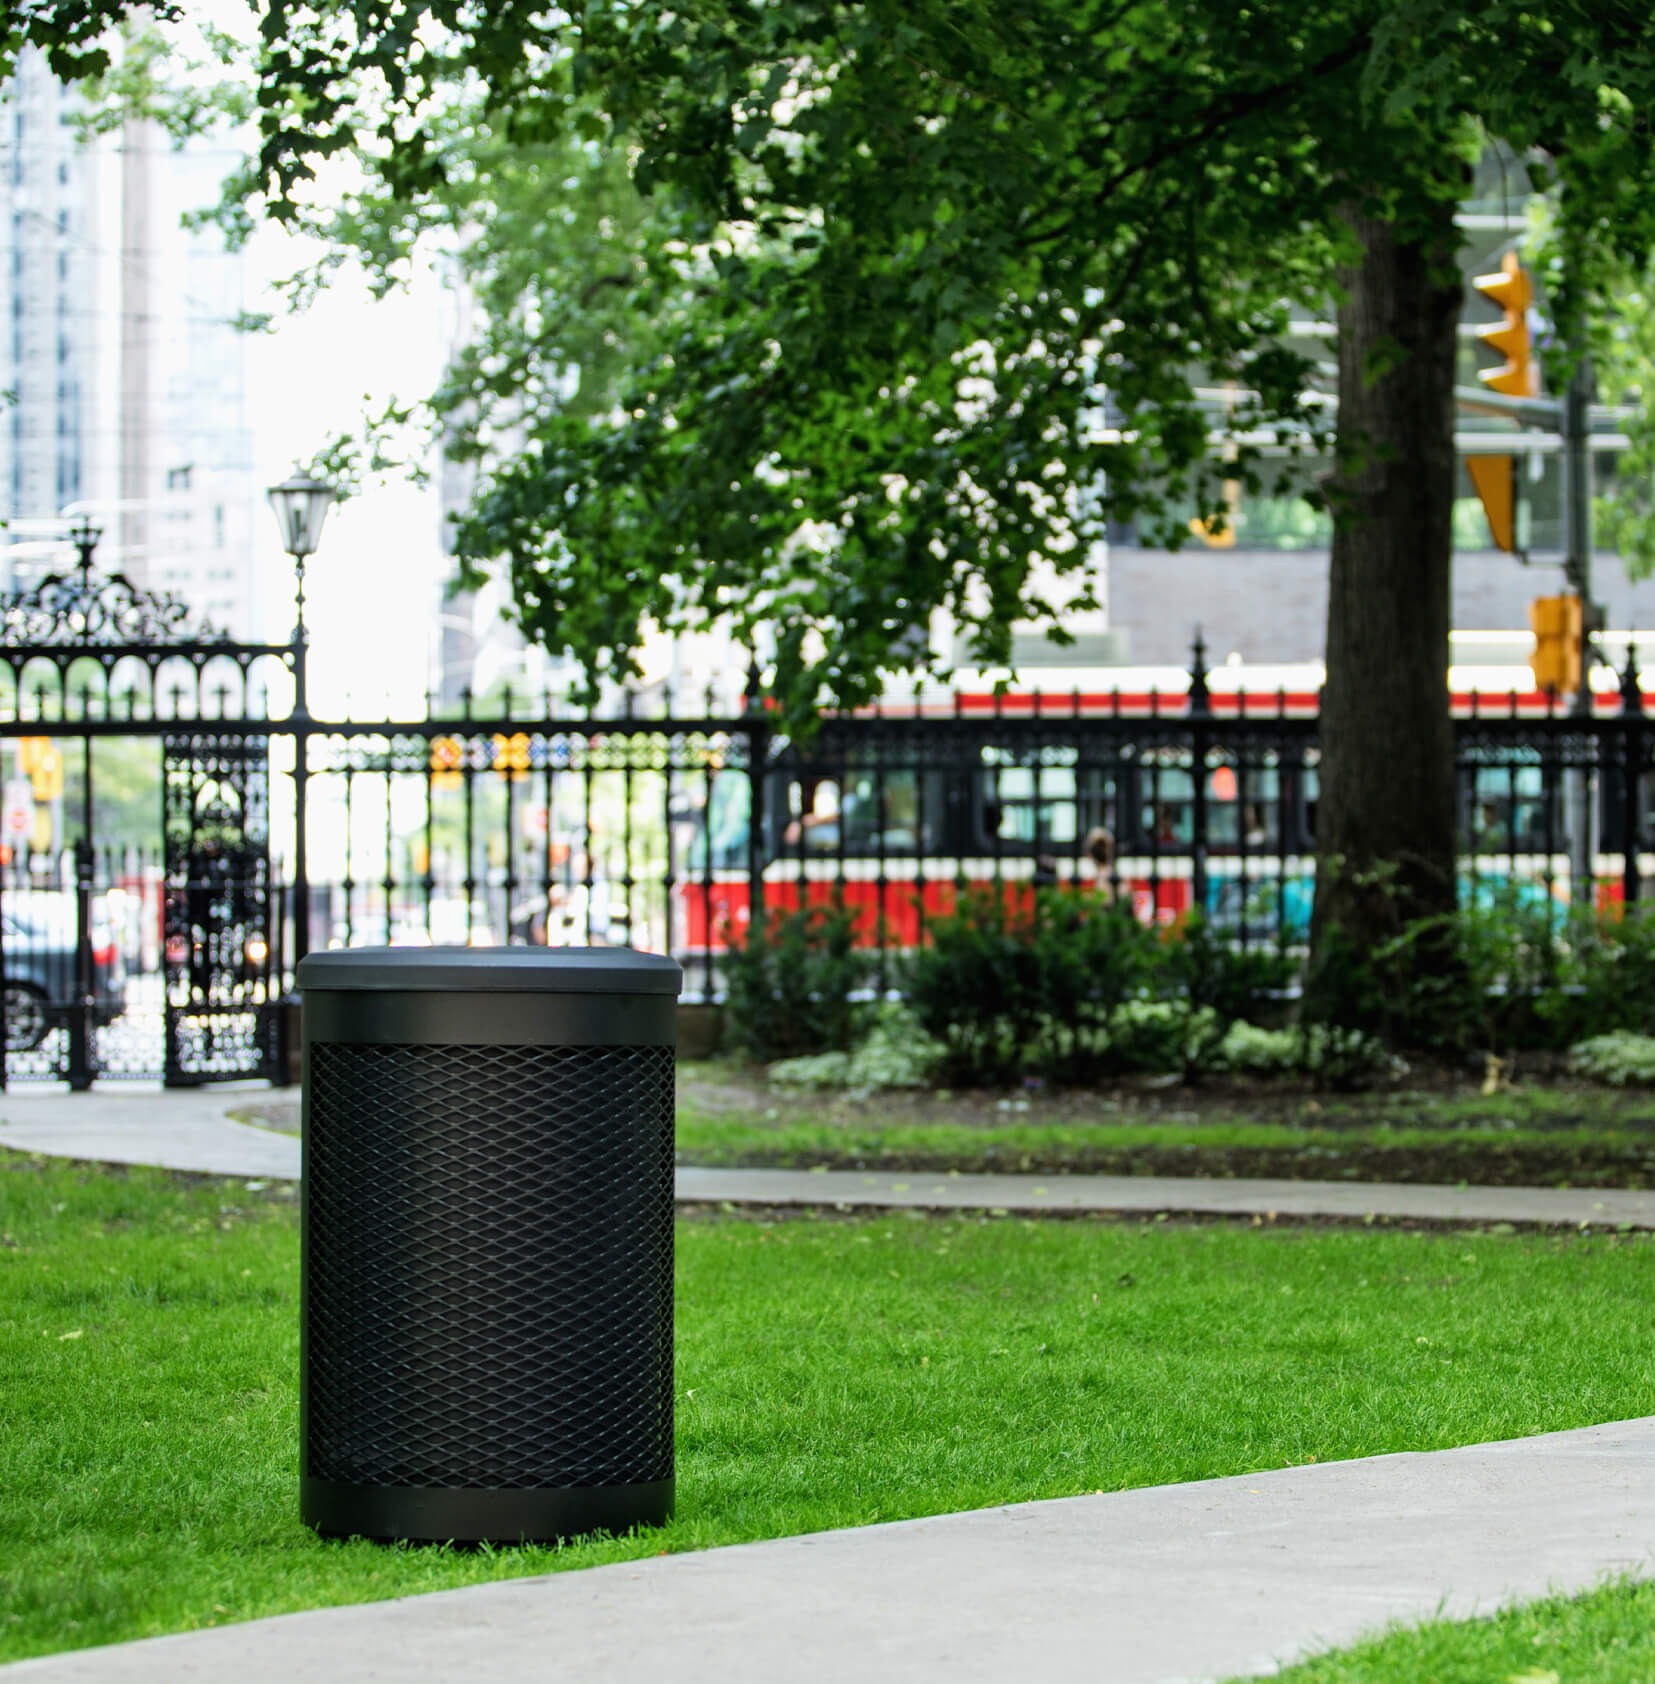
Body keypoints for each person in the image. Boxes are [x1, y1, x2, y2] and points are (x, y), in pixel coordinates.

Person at [1084, 825, 1116, 905]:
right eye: (1097, 846)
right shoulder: (1085, 872)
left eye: (1102, 846)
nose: (1099, 850)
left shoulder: (1113, 873)